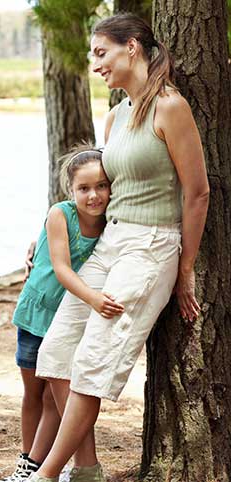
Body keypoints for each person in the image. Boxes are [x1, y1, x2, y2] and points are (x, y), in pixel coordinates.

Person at [29, 13, 210, 482]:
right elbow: (105, 192)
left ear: (131, 47)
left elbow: (197, 192)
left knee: (92, 362)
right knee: (56, 354)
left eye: (101, 53)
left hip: (151, 247)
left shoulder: (170, 107)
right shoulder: (116, 116)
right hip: (111, 242)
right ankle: (86, 470)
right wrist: (53, 238)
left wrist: (184, 267)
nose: (95, 65)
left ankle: (47, 475)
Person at [1, 146, 124, 482]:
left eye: (101, 186)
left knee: (58, 395)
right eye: (84, 188)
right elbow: (61, 269)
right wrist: (96, 300)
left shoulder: (113, 226)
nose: (94, 195)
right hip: (38, 314)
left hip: (70, 321)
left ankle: (42, 465)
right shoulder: (60, 215)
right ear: (71, 191)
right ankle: (26, 462)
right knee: (34, 394)